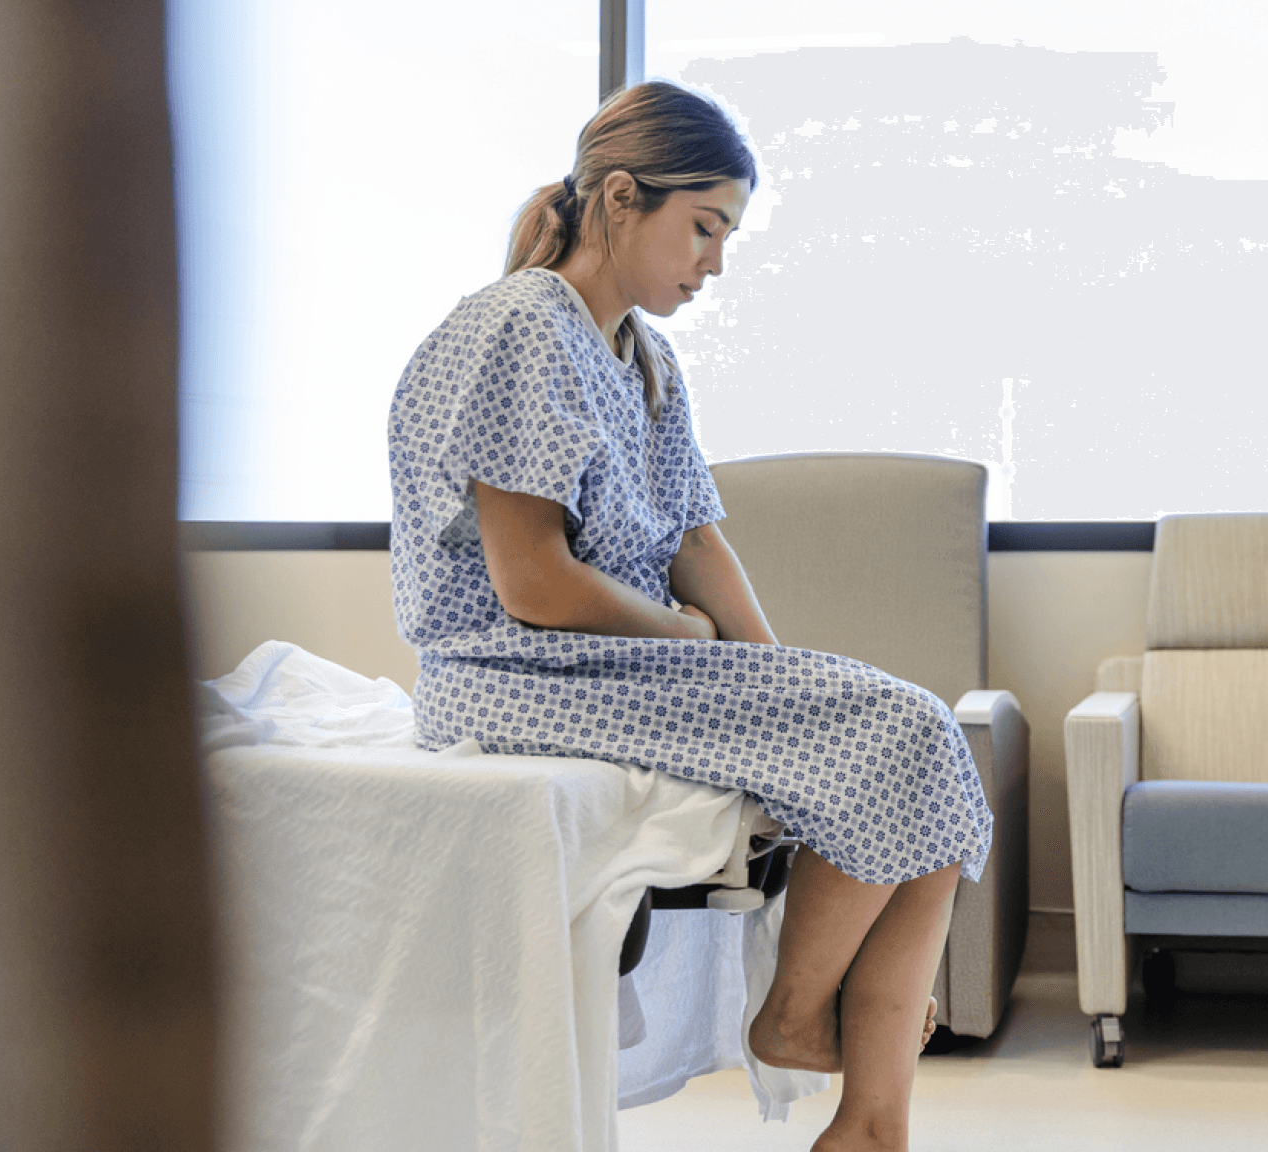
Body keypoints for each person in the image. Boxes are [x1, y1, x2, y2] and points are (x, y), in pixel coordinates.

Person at [386, 80, 994, 1152]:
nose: (714, 262)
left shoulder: (646, 359)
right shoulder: (518, 328)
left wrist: (777, 678)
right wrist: (695, 643)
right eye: (703, 228)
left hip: (611, 663)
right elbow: (530, 584)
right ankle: (797, 1017)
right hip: (513, 669)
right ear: (621, 197)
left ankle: (872, 1126)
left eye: (728, 236)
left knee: (923, 751)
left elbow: (695, 541)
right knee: (906, 729)